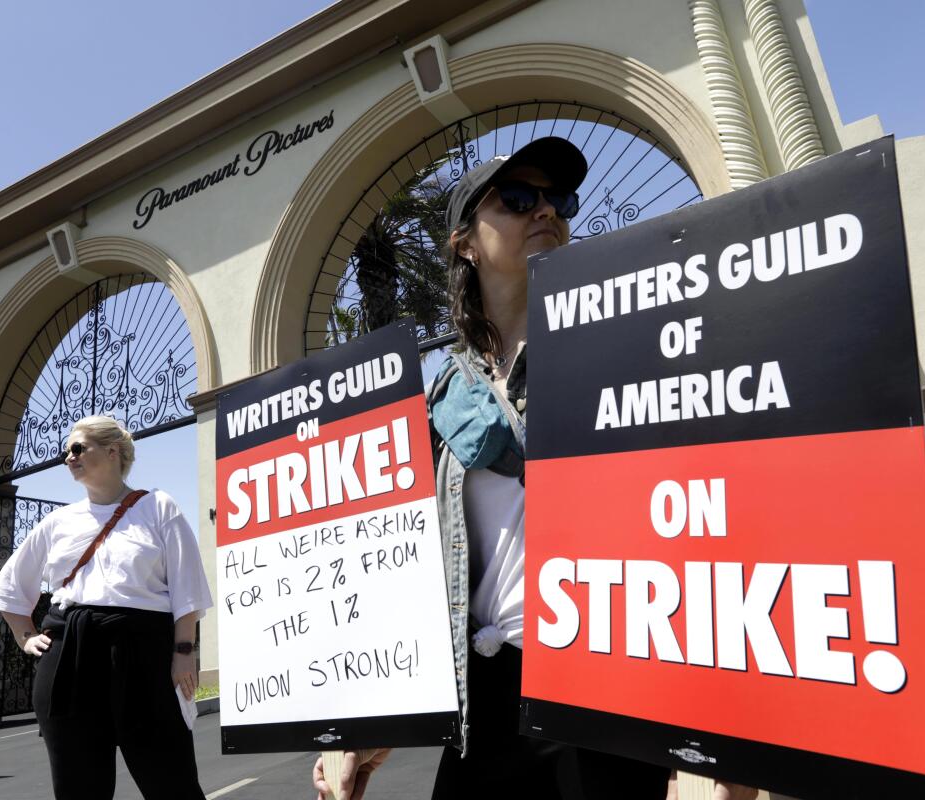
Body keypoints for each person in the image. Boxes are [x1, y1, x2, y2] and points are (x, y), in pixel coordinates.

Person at [313, 138, 758, 800]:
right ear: (464, 243)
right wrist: (375, 722)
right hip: (485, 701)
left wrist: (737, 745)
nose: (545, 210)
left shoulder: (630, 342)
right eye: (518, 199)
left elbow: (706, 513)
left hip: (602, 679)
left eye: (559, 200)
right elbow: (416, 564)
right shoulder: (441, 393)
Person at [0, 415, 213, 800]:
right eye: (65, 451)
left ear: (112, 451)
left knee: (172, 781)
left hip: (144, 653)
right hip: (69, 652)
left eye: (77, 448)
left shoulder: (158, 507)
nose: (68, 457)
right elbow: (9, 590)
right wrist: (26, 637)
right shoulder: (57, 522)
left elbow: (186, 587)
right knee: (78, 787)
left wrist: (184, 651)